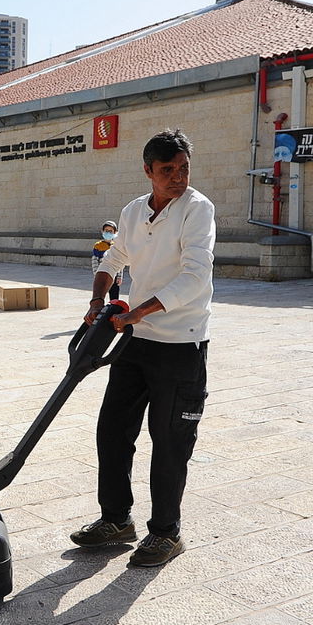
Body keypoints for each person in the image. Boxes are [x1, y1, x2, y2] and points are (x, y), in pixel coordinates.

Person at [71, 129, 214, 567]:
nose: (178, 177)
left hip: (180, 345)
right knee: (113, 432)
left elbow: (195, 278)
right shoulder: (134, 211)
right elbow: (114, 260)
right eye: (168, 170)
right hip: (135, 344)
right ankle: (116, 520)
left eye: (184, 168)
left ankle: (166, 533)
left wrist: (136, 311)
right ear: (148, 171)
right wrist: (99, 301)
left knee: (170, 442)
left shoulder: (197, 209)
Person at [90, 220, 124, 298]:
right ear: (102, 231)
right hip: (102, 274)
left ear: (115, 232)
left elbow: (120, 262)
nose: (108, 233)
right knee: (100, 295)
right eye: (106, 231)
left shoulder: (116, 245)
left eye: (111, 231)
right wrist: (96, 274)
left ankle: (113, 308)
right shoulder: (98, 246)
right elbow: (95, 261)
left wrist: (119, 276)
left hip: (114, 275)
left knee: (114, 295)